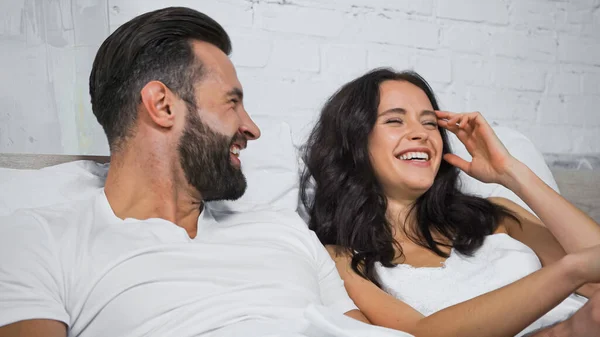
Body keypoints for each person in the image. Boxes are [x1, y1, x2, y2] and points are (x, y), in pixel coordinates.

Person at [0, 7, 378, 337]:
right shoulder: (42, 241)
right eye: (232, 103)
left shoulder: (285, 229)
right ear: (163, 106)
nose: (252, 128)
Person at [300, 68, 600, 337]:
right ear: (354, 142)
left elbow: (594, 273)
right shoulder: (341, 258)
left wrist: (511, 172)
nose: (420, 133)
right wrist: (569, 275)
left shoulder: (496, 216)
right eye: (394, 120)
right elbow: (423, 333)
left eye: (430, 123)